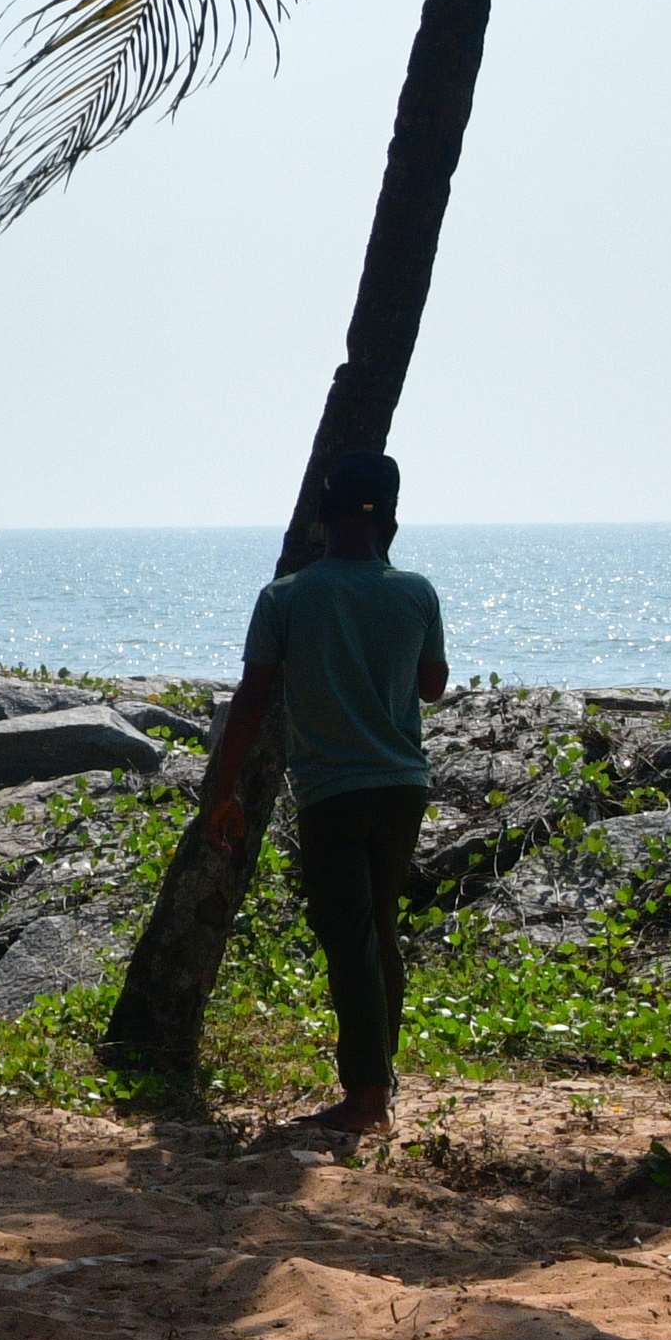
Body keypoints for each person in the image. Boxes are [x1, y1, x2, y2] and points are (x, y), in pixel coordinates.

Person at [244, 447, 453, 1141]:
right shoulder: (416, 592)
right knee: (379, 931)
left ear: (320, 517)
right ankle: (379, 1079)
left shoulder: (287, 597)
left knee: (348, 937)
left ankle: (366, 1097)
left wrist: (222, 793)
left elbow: (253, 699)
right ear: (389, 521)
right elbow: (430, 685)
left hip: (332, 791)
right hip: (403, 784)